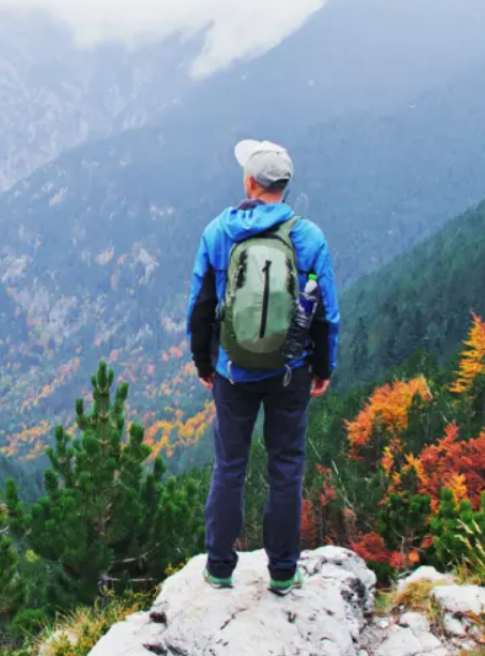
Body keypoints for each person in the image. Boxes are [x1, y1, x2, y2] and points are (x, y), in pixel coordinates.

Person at [186, 139, 339, 596]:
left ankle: (218, 567)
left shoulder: (219, 231)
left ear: (250, 182)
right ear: (285, 187)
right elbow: (325, 311)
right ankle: (283, 572)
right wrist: (323, 366)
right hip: (290, 372)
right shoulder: (308, 237)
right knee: (286, 467)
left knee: (230, 465)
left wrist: (203, 361)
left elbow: (201, 305)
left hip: (232, 372)